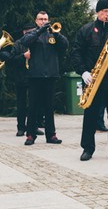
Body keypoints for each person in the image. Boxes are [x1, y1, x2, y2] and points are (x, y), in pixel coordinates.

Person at [71, 0, 108, 161]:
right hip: (93, 79)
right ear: (98, 12)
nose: (107, 15)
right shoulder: (86, 30)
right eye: (104, 11)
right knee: (90, 115)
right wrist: (83, 72)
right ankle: (87, 148)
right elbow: (76, 52)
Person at [19, 10, 68, 146]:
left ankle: (51, 135)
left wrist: (56, 34)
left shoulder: (53, 34)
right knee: (33, 106)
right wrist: (40, 30)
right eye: (41, 19)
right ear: (36, 21)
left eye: (45, 19)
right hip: (35, 75)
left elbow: (65, 45)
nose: (43, 21)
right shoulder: (33, 34)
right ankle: (30, 135)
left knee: (49, 107)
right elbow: (25, 42)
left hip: (51, 75)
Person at [5, 22, 37, 137]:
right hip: (21, 77)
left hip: (34, 76)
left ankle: (33, 127)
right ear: (24, 32)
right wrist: (24, 56)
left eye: (33, 32)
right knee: (21, 104)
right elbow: (11, 60)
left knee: (34, 104)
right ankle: (21, 128)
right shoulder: (18, 44)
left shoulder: (36, 42)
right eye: (28, 32)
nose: (31, 34)